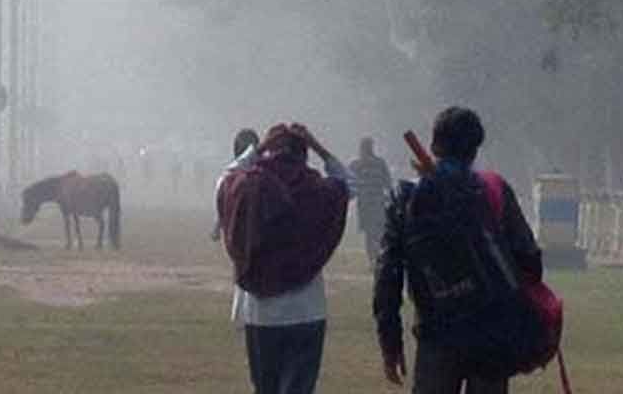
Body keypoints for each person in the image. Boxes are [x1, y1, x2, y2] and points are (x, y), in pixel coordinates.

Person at [373, 106, 544, 394]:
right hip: (492, 331)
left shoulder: (407, 197)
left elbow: (388, 275)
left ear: (434, 145)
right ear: (475, 149)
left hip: (435, 331)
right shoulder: (493, 189)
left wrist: (390, 342)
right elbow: (529, 260)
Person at [217, 123, 353, 394]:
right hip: (307, 311)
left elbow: (225, 179)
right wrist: (319, 148)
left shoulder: (250, 187)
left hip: (260, 314)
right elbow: (348, 184)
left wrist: (260, 147)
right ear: (304, 155)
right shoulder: (317, 190)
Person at [349, 136, 393, 268]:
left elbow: (387, 182)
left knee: (373, 233)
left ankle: (375, 259)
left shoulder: (358, 164)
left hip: (370, 203)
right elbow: (388, 182)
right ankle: (375, 259)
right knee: (375, 232)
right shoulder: (377, 163)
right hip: (372, 202)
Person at [212, 128, 260, 242]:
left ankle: (217, 226)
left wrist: (217, 226)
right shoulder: (264, 162)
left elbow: (220, 199)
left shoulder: (230, 172)